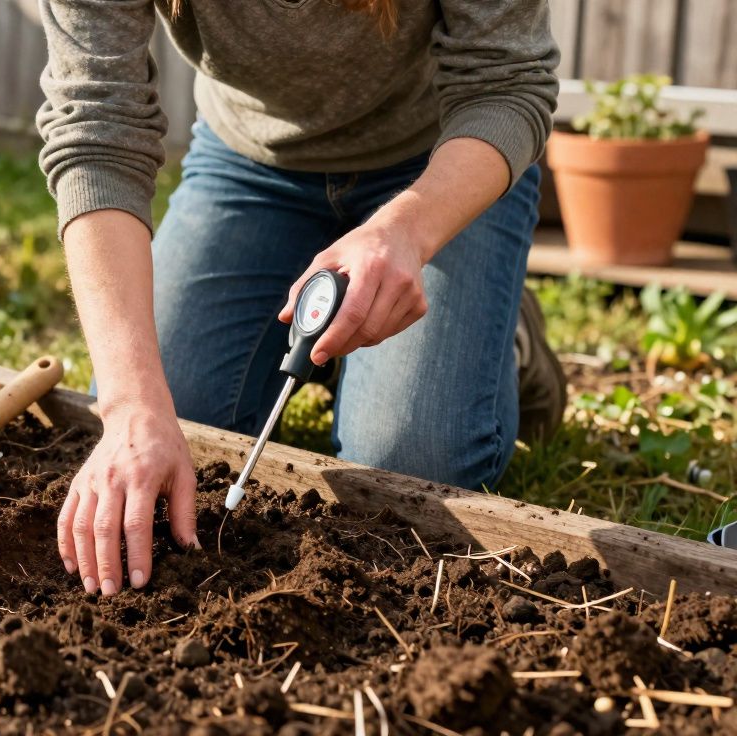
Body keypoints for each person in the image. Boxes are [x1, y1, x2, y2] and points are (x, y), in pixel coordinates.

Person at [36, 0, 566, 597]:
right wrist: (130, 402)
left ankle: (502, 332)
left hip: (440, 160)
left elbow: (507, 82)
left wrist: (407, 234)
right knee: (170, 415)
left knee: (409, 462)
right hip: (251, 166)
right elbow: (95, 129)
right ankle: (342, 330)